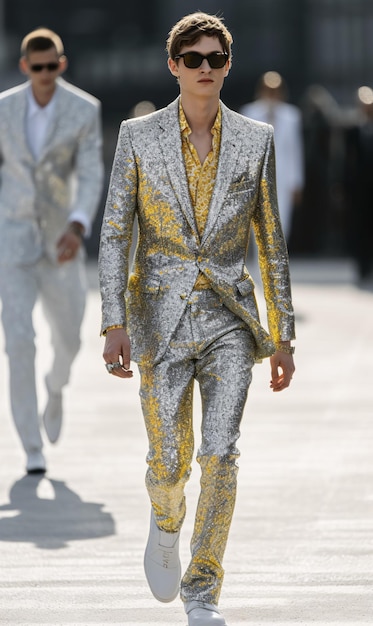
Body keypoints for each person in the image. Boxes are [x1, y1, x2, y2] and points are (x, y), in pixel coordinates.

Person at [99, 12, 295, 626]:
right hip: (159, 317)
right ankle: (165, 518)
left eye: (215, 58)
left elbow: (271, 238)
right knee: (168, 462)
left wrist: (283, 334)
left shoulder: (255, 138)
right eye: (193, 58)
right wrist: (113, 322)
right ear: (173, 66)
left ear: (228, 66)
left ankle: (204, 585)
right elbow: (114, 233)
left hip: (232, 320)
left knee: (221, 453)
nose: (204, 68)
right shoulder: (137, 136)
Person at [0, 28, 104, 475]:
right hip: (14, 237)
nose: (45, 74)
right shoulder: (4, 109)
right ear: (25, 67)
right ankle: (30, 446)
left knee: (70, 336)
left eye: (52, 66)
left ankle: (56, 386)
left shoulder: (84, 109)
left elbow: (92, 170)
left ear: (62, 63)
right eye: (36, 67)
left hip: (63, 239)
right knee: (19, 341)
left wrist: (79, 224)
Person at [240, 71, 304, 242]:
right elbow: (245, 151)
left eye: (275, 90)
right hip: (257, 178)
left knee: (282, 224)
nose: (271, 95)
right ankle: (261, 268)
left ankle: (277, 267)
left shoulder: (292, 116)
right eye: (268, 90)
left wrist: (296, 182)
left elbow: (294, 151)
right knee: (258, 226)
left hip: (283, 178)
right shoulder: (248, 113)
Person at [344, 85, 373, 283]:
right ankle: (362, 266)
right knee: (360, 227)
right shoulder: (353, 130)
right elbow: (347, 160)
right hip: (359, 188)